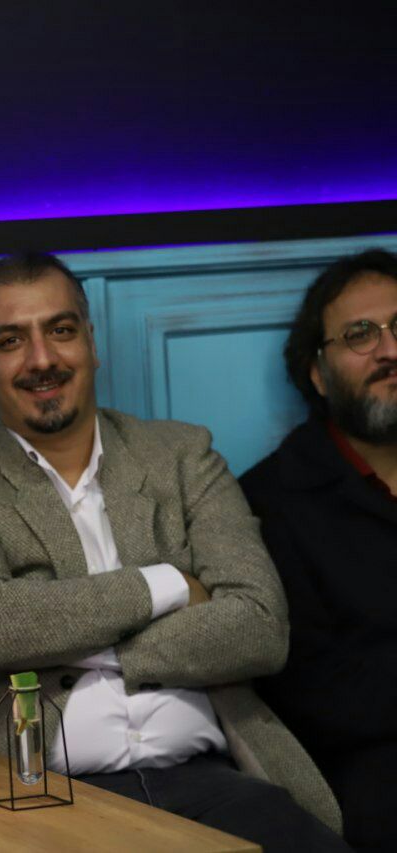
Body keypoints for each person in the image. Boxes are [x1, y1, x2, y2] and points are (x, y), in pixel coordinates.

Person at [0, 252, 346, 850]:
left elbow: (261, 627)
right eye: (10, 341)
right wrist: (169, 585)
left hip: (215, 781)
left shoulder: (183, 455)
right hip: (36, 796)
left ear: (91, 342)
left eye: (61, 330)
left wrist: (62, 636)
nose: (41, 359)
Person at [241, 248, 397, 851]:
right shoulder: (270, 501)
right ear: (317, 373)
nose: (389, 350)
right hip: (370, 774)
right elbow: (308, 690)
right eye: (361, 334)